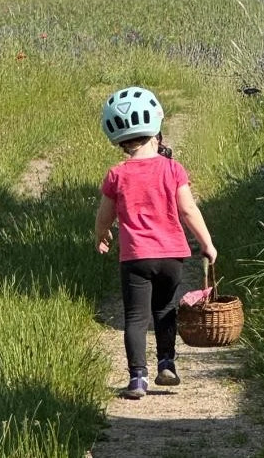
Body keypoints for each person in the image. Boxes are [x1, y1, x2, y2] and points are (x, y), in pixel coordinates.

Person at [92, 86, 217, 400]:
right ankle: (167, 364)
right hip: (172, 256)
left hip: (135, 258)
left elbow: (104, 215)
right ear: (156, 131)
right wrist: (207, 243)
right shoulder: (173, 169)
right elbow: (188, 209)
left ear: (120, 140)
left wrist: (101, 235)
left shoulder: (116, 175)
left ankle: (137, 379)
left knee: (135, 317)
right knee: (164, 310)